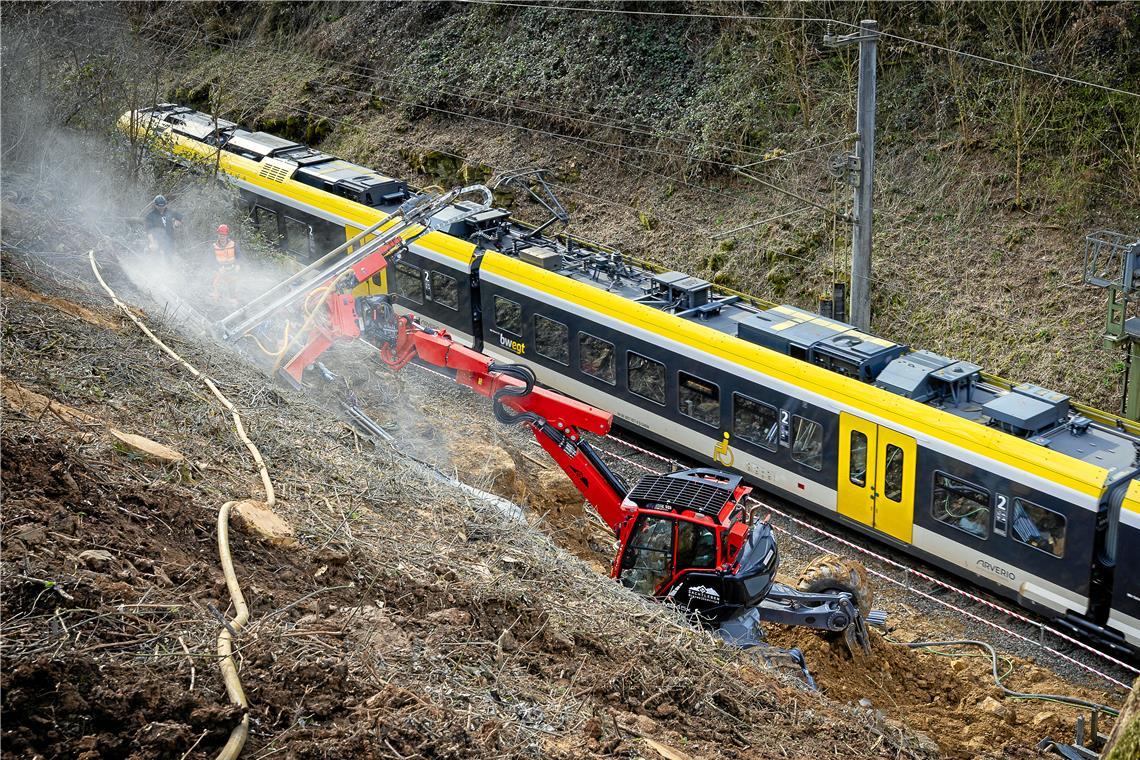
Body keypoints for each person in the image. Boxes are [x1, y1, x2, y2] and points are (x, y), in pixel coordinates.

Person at [211, 224, 240, 306]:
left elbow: (240, 257)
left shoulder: (233, 245)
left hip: (232, 270)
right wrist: (218, 268)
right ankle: (217, 301)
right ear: (218, 235)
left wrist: (238, 265)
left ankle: (233, 301)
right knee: (216, 284)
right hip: (220, 271)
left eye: (223, 235)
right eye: (220, 235)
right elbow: (210, 261)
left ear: (227, 235)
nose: (222, 237)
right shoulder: (214, 246)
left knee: (234, 284)